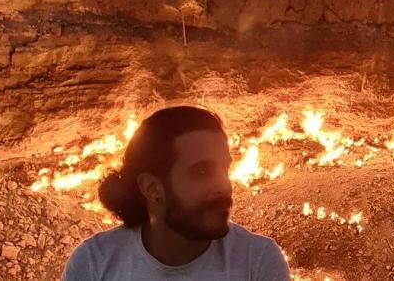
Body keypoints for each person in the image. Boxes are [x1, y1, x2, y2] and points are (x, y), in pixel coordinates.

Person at [61, 106, 290, 281]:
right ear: (152, 188)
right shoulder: (94, 265)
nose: (224, 185)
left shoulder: (258, 261)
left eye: (225, 168)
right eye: (201, 171)